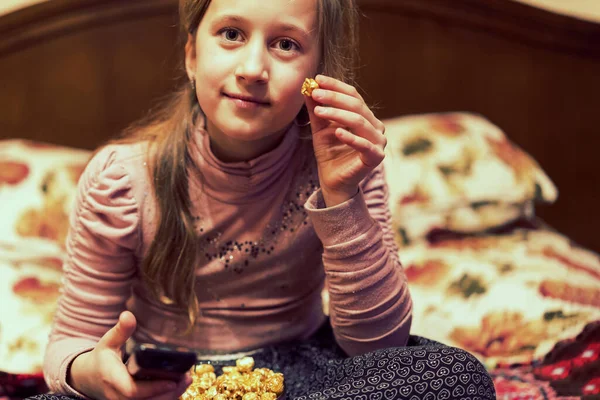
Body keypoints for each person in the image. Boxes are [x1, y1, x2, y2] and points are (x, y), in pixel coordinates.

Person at [35, 0, 496, 399]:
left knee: (458, 378)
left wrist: (341, 197)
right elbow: (69, 346)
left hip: (304, 378)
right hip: (167, 382)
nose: (253, 69)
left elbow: (378, 348)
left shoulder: (343, 164)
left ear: (315, 75)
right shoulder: (122, 180)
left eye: (286, 44)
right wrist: (93, 373)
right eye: (231, 34)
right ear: (192, 54)